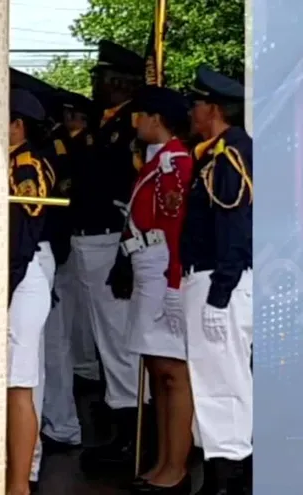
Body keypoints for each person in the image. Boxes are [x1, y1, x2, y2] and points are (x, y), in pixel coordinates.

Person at [72, 40, 148, 473]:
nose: (94, 85)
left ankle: (131, 434)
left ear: (118, 83)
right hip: (91, 237)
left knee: (119, 340)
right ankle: (122, 424)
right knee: (107, 340)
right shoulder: (108, 124)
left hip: (108, 238)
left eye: (99, 78)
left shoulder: (130, 127)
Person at [114, 85, 195, 493]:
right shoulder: (157, 161)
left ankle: (176, 467)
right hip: (147, 263)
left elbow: (176, 227)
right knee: (156, 368)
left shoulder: (175, 164)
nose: (136, 122)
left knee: (172, 372)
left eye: (141, 115)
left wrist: (174, 283)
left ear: (157, 119)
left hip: (165, 266)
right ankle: (163, 459)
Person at [182, 65, 252, 495]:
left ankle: (228, 479)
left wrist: (220, 293)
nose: (191, 111)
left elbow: (235, 228)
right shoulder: (214, 152)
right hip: (211, 278)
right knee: (213, 380)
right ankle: (220, 471)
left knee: (222, 382)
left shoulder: (228, 155)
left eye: (196, 104)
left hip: (219, 280)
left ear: (213, 109)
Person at [5, 88, 55, 495]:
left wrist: (6, 286)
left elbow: (22, 234)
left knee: (19, 382)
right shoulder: (10, 161)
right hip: (12, 273)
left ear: (18, 125)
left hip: (22, 273)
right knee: (12, 380)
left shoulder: (27, 167)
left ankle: (20, 482)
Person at [40, 88, 94, 455]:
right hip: (56, 253)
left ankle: (61, 424)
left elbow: (61, 206)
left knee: (54, 345)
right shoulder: (53, 146)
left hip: (53, 254)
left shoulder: (50, 149)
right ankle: (57, 421)